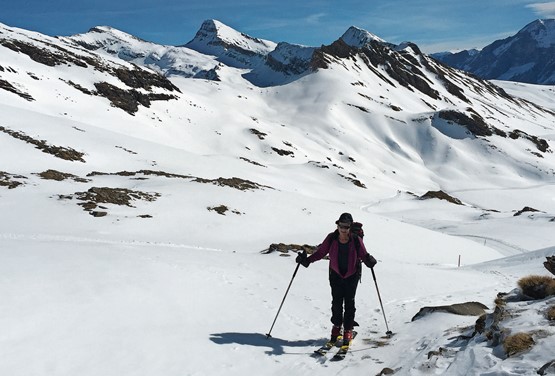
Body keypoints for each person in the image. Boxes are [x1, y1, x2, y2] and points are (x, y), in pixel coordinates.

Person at [296, 212, 377, 344]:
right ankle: (337, 327)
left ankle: (348, 329)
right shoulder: (331, 238)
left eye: (346, 227)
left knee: (349, 303)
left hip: (352, 275)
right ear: (337, 226)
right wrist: (307, 261)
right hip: (335, 275)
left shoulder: (356, 239)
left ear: (350, 227)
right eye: (341, 226)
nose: (343, 229)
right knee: (336, 303)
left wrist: (369, 261)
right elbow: (321, 252)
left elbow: (363, 254)